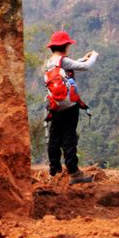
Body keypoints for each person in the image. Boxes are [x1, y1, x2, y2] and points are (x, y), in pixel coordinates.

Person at [44, 31, 98, 184]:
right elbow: (85, 67)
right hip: (69, 106)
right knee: (69, 137)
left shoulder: (50, 62)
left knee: (55, 136)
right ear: (65, 46)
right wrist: (94, 55)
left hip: (55, 105)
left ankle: (54, 168)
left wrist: (82, 58)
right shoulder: (64, 60)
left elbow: (69, 64)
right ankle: (74, 173)